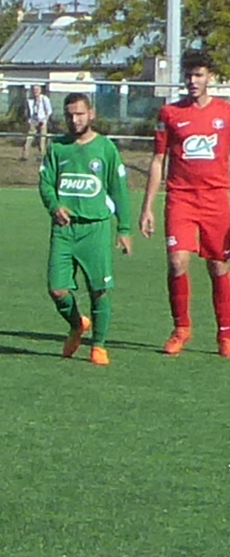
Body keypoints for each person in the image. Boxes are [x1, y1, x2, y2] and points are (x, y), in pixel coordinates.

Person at [140, 50, 230, 355]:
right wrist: (147, 207)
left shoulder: (225, 113)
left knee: (218, 265)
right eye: (189, 75)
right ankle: (181, 328)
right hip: (181, 199)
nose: (193, 81)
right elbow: (158, 160)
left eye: (199, 75)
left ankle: (225, 333)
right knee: (178, 262)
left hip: (216, 199)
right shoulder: (170, 114)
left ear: (210, 77)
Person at [39, 91, 133, 366]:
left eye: (80, 114)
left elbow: (119, 190)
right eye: (69, 115)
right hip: (64, 230)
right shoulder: (58, 148)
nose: (74, 120)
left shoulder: (105, 148)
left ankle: (99, 345)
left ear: (91, 114)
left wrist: (124, 229)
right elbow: (45, 183)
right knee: (57, 289)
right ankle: (77, 324)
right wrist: (54, 206)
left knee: (98, 290)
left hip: (95, 229)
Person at [24, 83, 53, 160]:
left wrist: (45, 121)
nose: (35, 91)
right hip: (34, 121)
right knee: (29, 138)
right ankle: (25, 155)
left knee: (42, 139)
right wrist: (29, 121)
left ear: (40, 90)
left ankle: (42, 156)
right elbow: (29, 111)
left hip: (42, 121)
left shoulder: (44, 99)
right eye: (34, 89)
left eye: (37, 89)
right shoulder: (30, 100)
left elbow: (49, 111)